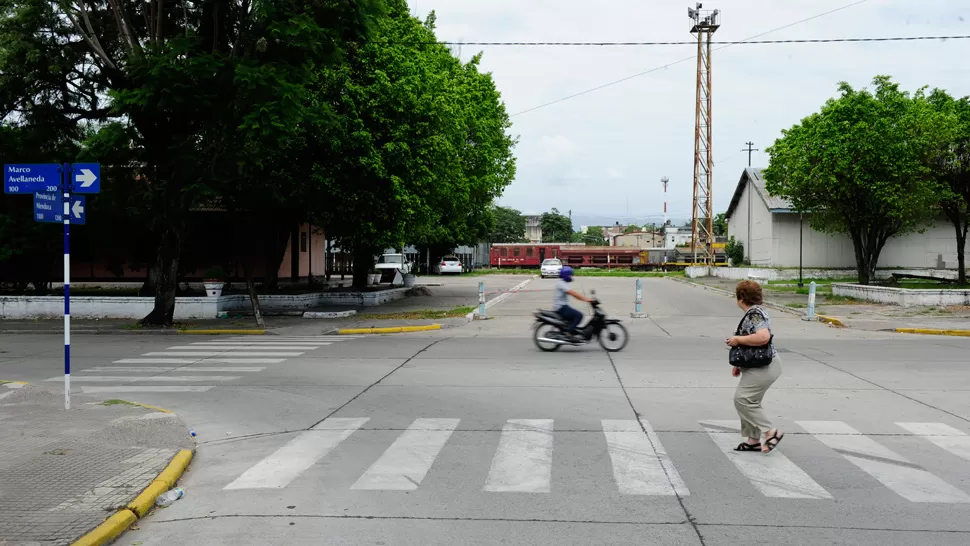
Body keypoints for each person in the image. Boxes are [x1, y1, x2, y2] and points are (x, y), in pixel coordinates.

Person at [726, 280, 785, 453]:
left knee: (743, 399)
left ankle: (770, 432)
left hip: (766, 366)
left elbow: (763, 337)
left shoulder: (755, 314)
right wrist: (741, 364)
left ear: (741, 298)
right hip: (760, 365)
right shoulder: (755, 312)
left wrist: (737, 340)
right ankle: (753, 440)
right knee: (751, 400)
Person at [553, 266, 593, 341]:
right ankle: (569, 333)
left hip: (563, 306)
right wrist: (585, 299)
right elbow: (573, 293)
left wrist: (584, 299)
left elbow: (574, 295)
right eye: (570, 275)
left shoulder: (563, 283)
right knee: (579, 315)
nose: (571, 276)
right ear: (566, 275)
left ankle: (571, 331)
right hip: (561, 308)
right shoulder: (561, 284)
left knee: (573, 317)